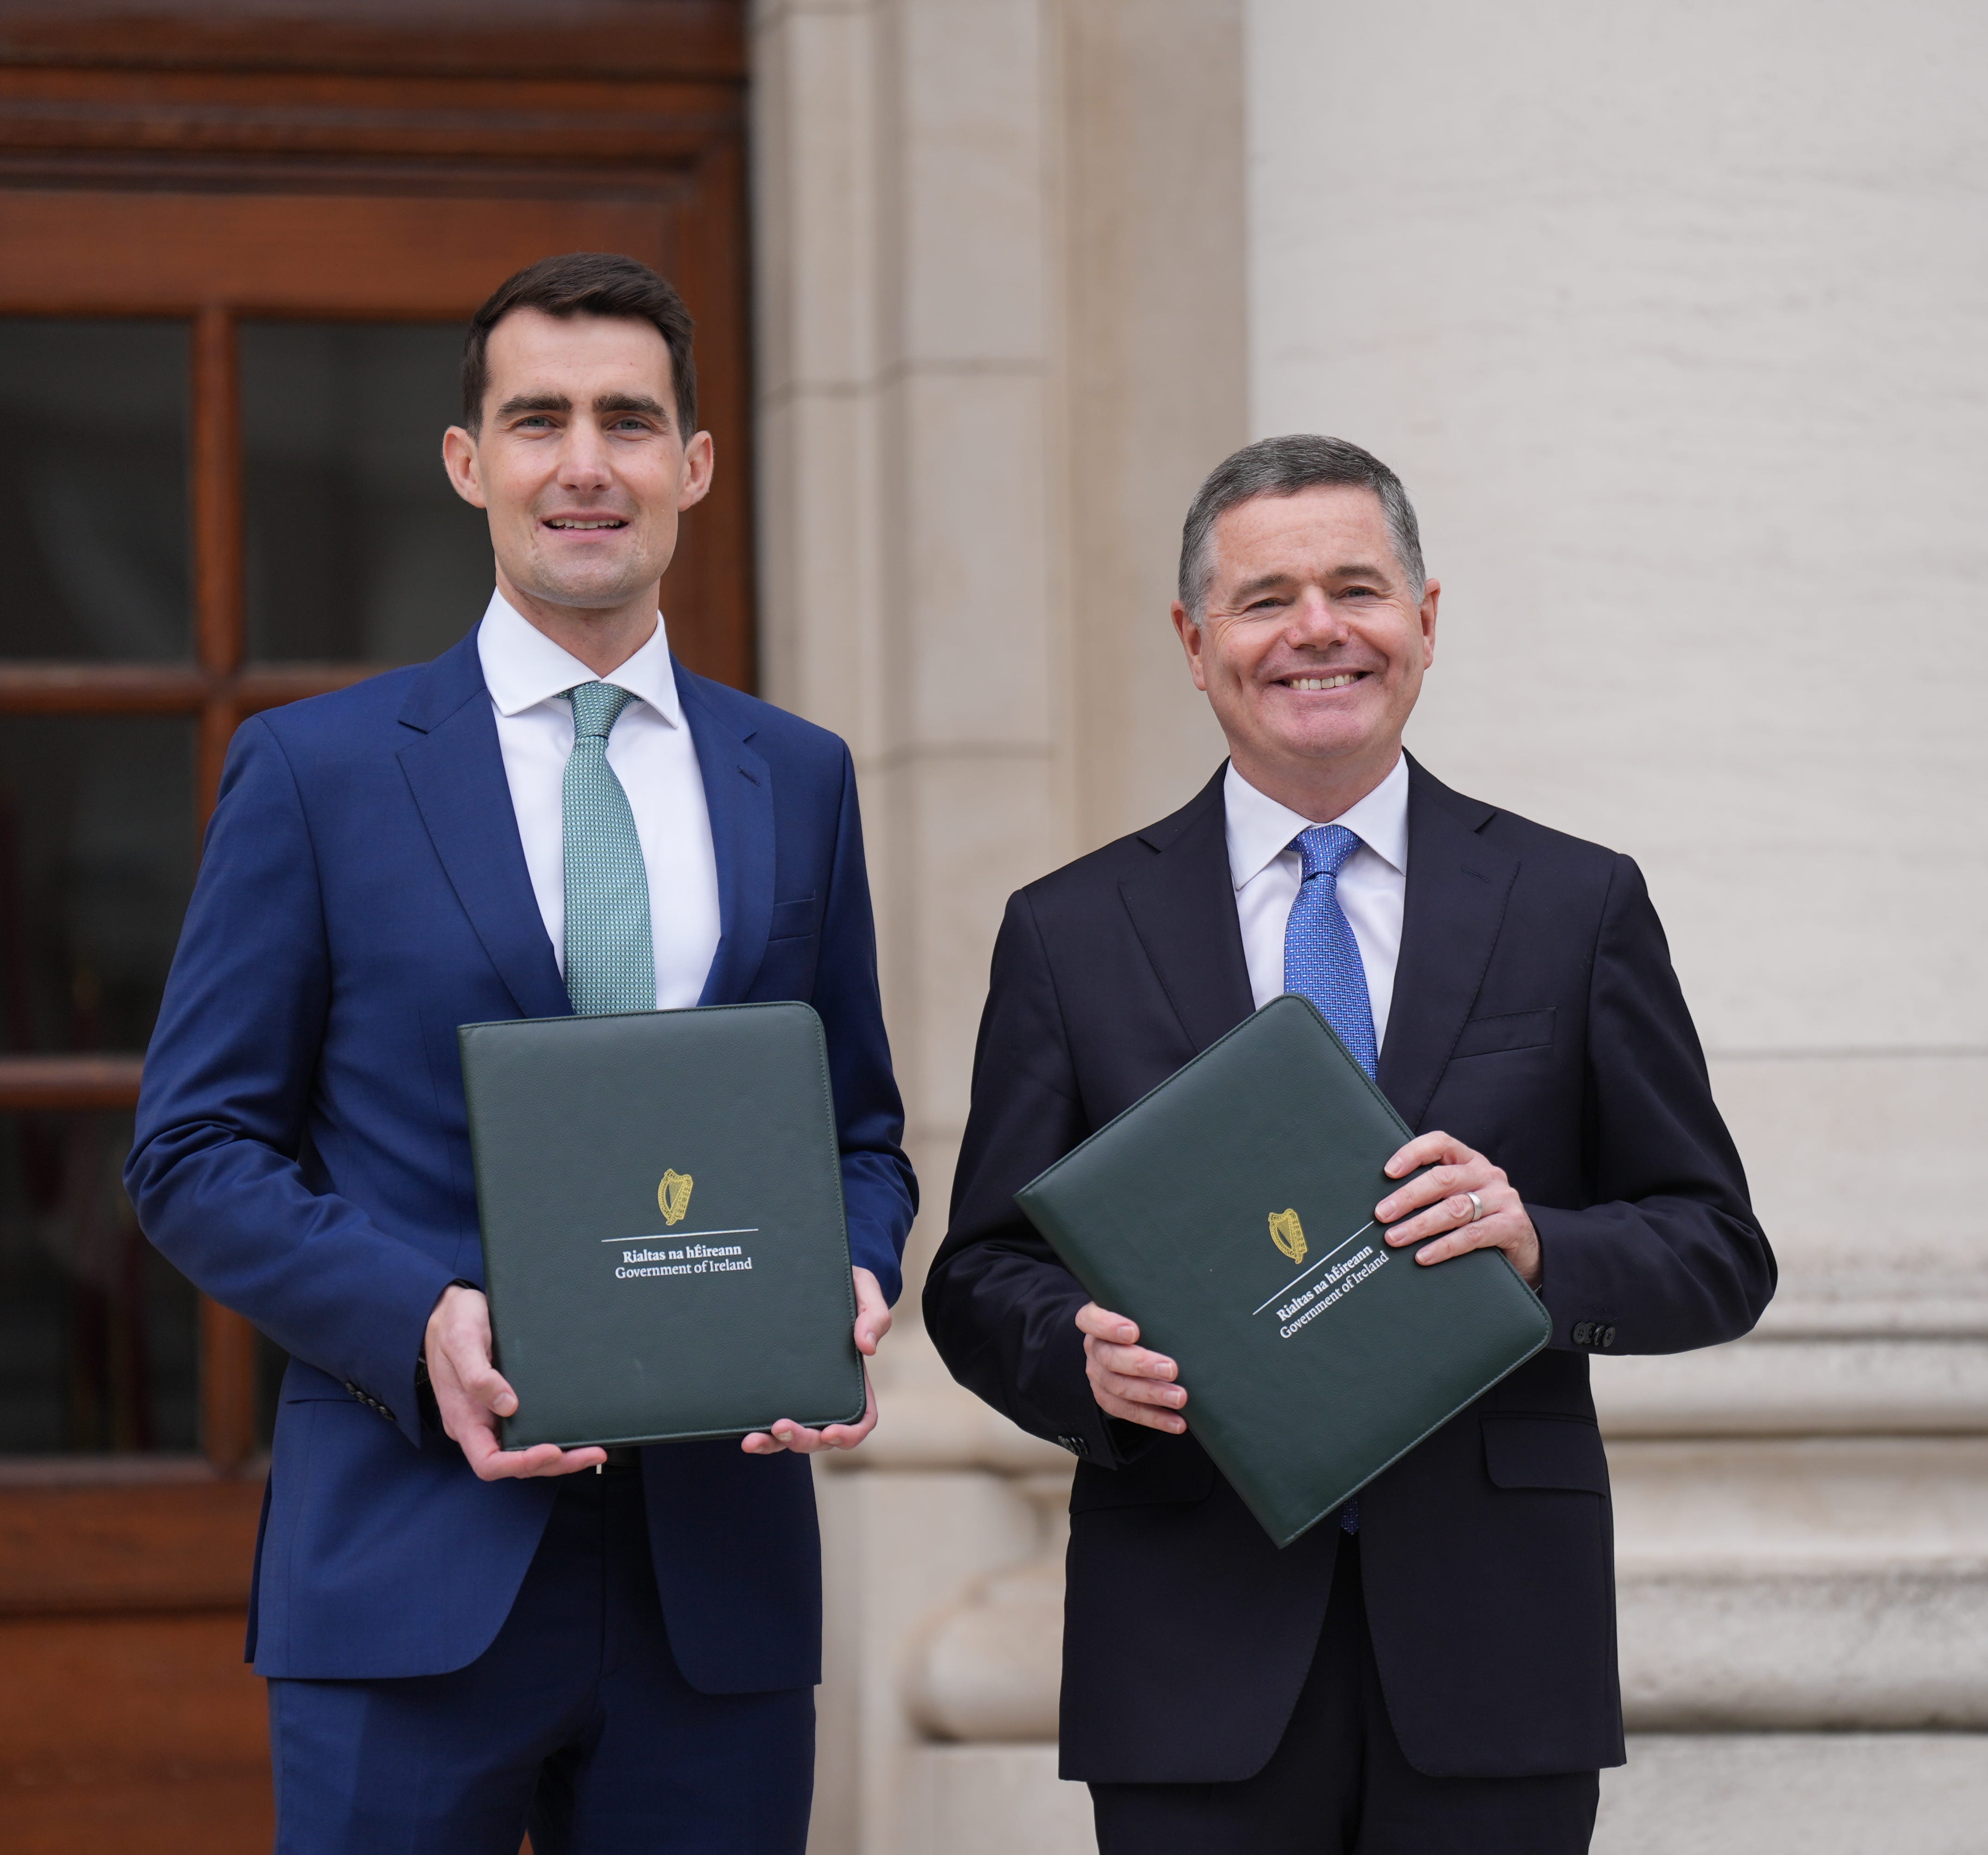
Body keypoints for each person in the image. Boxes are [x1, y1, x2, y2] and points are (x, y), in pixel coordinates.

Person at [125, 252, 913, 1853]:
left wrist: (853, 1265)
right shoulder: (314, 773)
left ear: (693, 465)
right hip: (413, 1566)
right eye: (536, 419)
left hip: (720, 1584)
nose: (583, 464)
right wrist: (420, 1320)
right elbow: (192, 1156)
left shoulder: (800, 778)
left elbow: (859, 1134)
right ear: (467, 463)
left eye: (628, 422)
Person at [922, 435, 1773, 1853]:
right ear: (1196, 646)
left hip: (1498, 1649)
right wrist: (1074, 1351)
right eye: (1265, 601)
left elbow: (1716, 1249)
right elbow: (978, 1274)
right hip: (1191, 1647)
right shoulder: (1068, 933)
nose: (1317, 629)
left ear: (1426, 622)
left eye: (1357, 589)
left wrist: (1539, 1247)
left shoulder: (1576, 904)